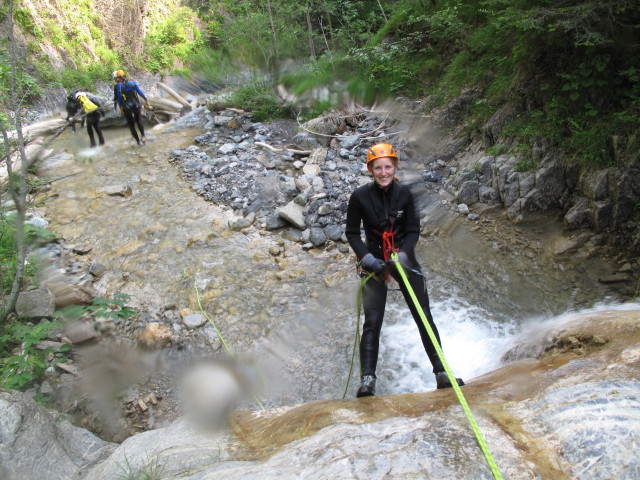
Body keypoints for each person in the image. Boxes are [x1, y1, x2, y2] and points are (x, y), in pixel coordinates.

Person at [345, 143, 464, 397]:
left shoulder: (405, 195)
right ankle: (368, 380)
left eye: (388, 167)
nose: (384, 172)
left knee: (423, 316)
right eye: (378, 168)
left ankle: (442, 372)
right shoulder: (359, 197)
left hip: (403, 259)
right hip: (374, 263)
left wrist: (405, 254)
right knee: (372, 322)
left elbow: (412, 230)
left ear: (395, 167)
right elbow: (352, 233)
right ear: (370, 169)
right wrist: (367, 259)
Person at [112, 69, 151, 145]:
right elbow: (140, 93)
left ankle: (138, 142)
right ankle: (143, 136)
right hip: (136, 104)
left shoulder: (118, 87)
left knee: (131, 124)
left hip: (127, 107)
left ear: (117, 78)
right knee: (139, 120)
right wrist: (146, 100)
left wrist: (121, 108)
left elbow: (119, 98)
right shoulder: (133, 83)